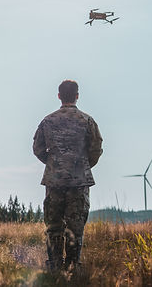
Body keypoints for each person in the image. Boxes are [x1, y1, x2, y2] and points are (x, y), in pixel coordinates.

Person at [33, 79, 103, 271]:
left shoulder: (47, 121)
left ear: (59, 96)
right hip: (79, 181)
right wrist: (83, 165)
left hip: (54, 182)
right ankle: (72, 268)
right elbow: (96, 149)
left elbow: (37, 148)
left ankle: (54, 266)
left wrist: (54, 164)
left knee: (54, 226)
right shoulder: (87, 121)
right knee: (76, 227)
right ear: (77, 96)